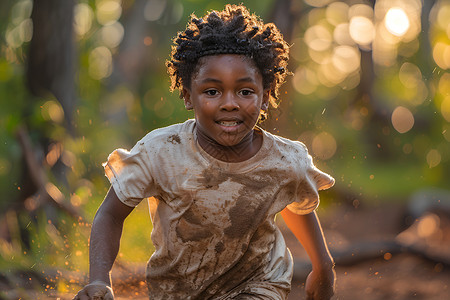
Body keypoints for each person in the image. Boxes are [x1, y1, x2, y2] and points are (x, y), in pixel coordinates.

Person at [73, 4, 336, 300]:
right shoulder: (161, 152)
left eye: (245, 91)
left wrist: (323, 264)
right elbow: (110, 214)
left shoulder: (286, 160)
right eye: (212, 92)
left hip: (259, 283)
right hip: (175, 291)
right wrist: (99, 279)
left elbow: (296, 201)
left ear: (266, 96)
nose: (229, 103)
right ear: (188, 95)